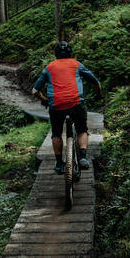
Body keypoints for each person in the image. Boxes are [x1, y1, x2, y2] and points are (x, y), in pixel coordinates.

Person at [31, 41, 102, 173]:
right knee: (81, 130)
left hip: (56, 106)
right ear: (70, 53)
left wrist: (45, 100)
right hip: (76, 104)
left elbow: (35, 91)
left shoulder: (49, 67)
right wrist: (98, 95)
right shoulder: (76, 64)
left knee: (56, 133)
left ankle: (58, 163)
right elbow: (96, 83)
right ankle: (83, 158)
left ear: (56, 54)